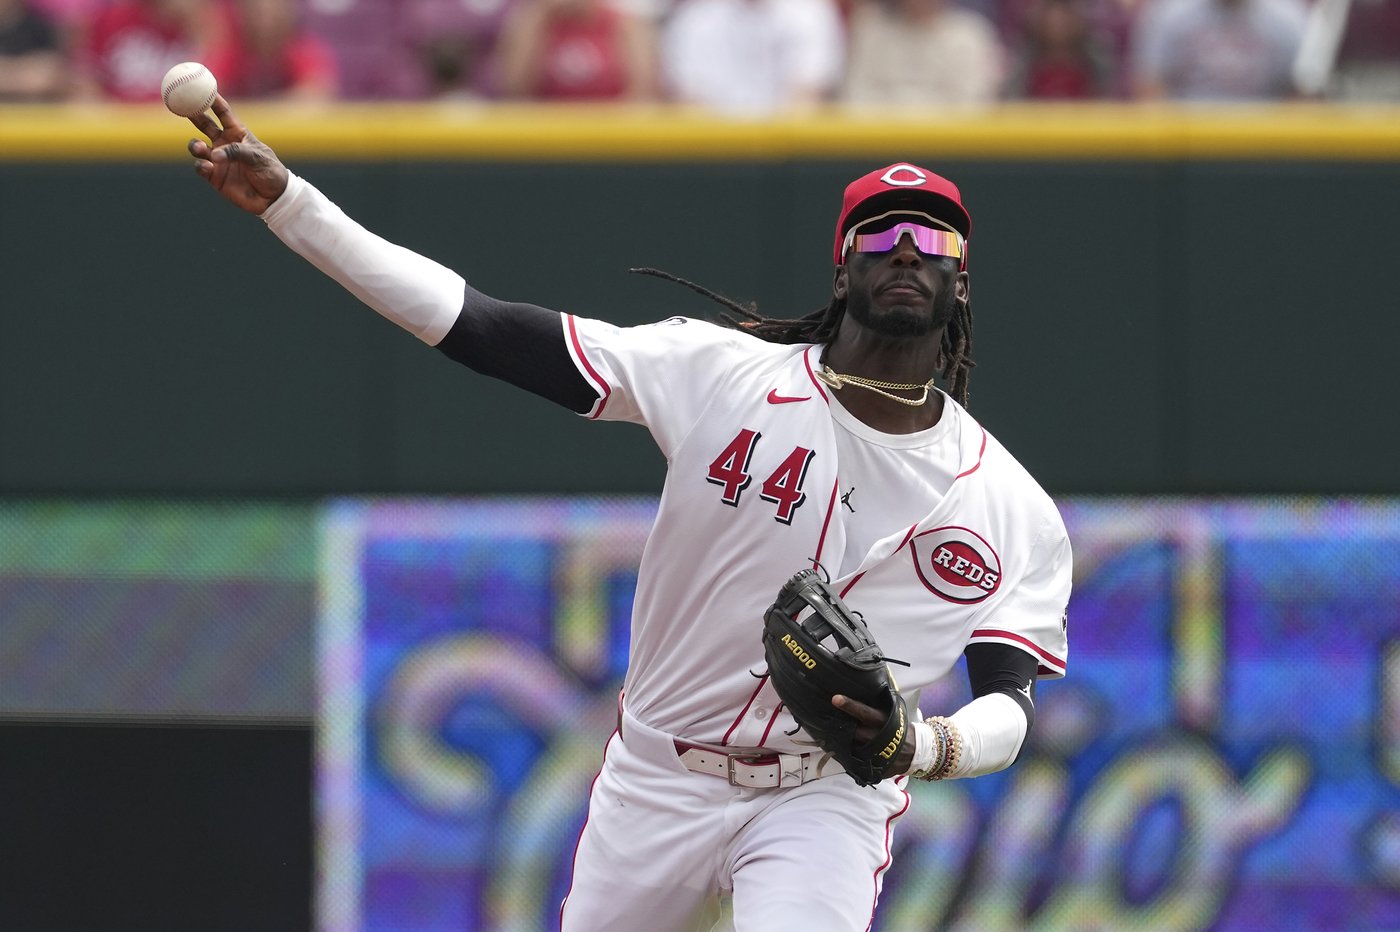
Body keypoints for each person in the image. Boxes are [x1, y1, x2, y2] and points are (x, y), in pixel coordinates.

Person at [184, 98, 1071, 929]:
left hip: (825, 792)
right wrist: (292, 207)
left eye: (931, 237)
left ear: (962, 280)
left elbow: (1011, 708)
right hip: (659, 775)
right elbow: (479, 325)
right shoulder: (719, 376)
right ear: (843, 270)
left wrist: (924, 743)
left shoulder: (1012, 509)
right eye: (879, 233)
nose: (906, 249)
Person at [661, 0, 844, 116]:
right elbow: (691, 102)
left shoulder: (811, 10)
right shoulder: (695, 17)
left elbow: (809, 95)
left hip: (789, 151)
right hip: (714, 151)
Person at [1130, 0, 1307, 100]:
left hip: (1265, 145)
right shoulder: (1169, 13)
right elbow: (1150, 90)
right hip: (1187, 144)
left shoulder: (1289, 19)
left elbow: (1302, 97)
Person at [842, 0, 1005, 107]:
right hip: (877, 149)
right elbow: (855, 99)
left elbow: (974, 105)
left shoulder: (971, 35)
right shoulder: (871, 32)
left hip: (951, 151)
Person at [495, 0, 657, 102]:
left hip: (611, 134)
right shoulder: (535, 23)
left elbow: (643, 92)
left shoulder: (624, 23)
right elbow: (515, 88)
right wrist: (539, 16)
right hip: (548, 134)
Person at [202, 0, 338, 101]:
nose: (265, 19)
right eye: (257, 10)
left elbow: (318, 93)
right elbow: (207, 93)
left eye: (271, 9)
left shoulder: (303, 48)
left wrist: (262, 110)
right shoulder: (231, 50)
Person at [0, 0, 66, 100]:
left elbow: (49, 76)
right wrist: (25, 68)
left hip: (33, 107)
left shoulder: (39, 27)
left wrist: (7, 71)